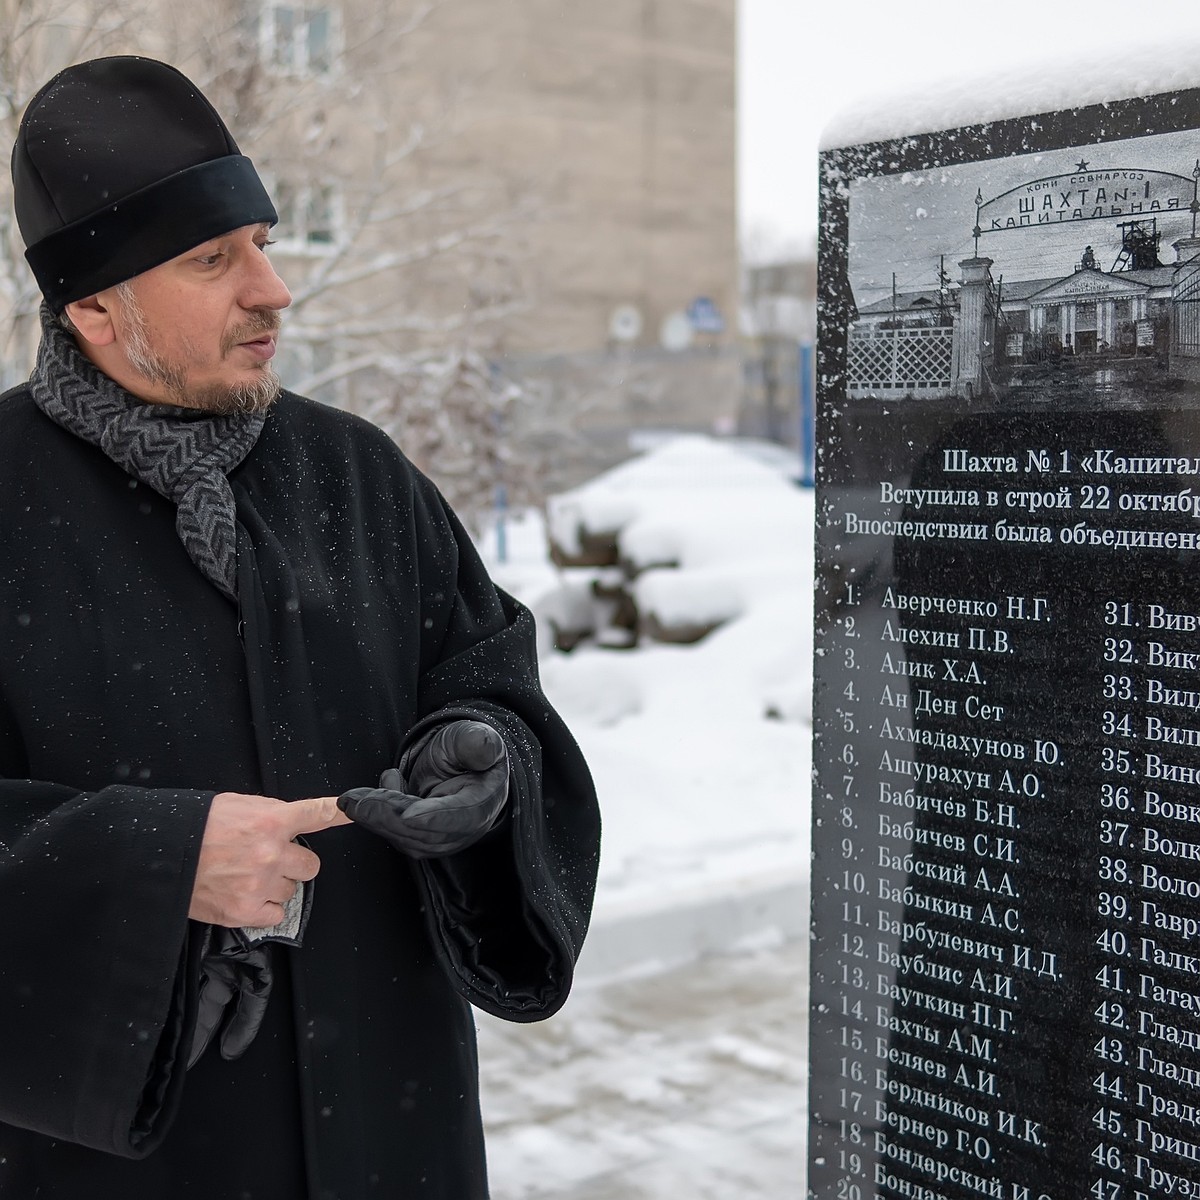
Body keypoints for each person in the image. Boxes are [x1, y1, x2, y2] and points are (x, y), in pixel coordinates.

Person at [0, 55, 600, 1199]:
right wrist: (153, 865)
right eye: (213, 258)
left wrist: (478, 755)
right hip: (120, 1163)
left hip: (391, 1123)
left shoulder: (361, 475)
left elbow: (490, 679)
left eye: (266, 244)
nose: (273, 290)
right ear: (93, 308)